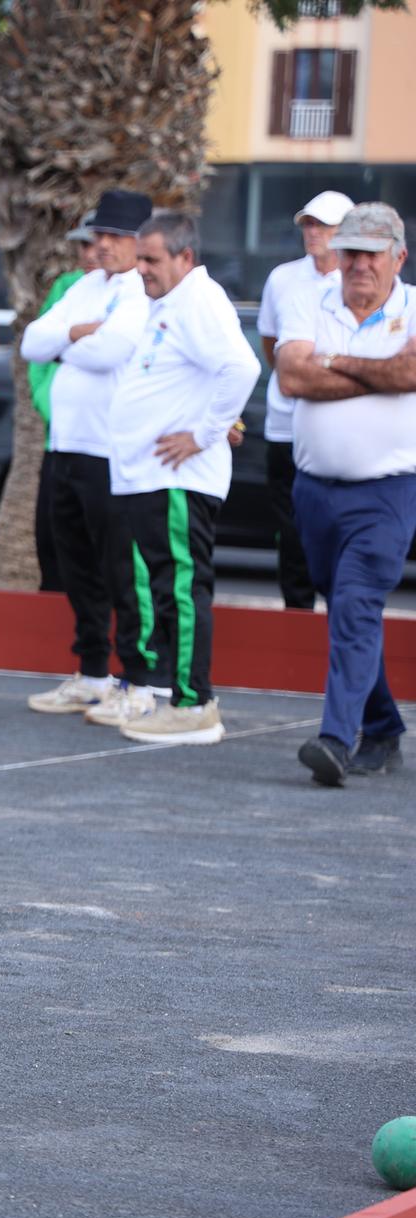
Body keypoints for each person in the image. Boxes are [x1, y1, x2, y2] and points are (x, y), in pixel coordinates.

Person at [273, 203, 416, 786]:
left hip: (387, 491)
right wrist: (375, 369)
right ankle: (383, 728)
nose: (357, 264)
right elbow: (291, 377)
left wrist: (329, 361)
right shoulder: (312, 299)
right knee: (346, 612)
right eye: (350, 252)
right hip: (314, 491)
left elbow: (412, 375)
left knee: (356, 605)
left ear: (398, 258)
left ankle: (335, 739)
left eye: (370, 254)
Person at [104, 211, 260, 746]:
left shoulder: (198, 299)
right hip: (148, 478)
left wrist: (204, 433)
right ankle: (180, 698)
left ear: (184, 257)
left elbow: (241, 368)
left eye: (150, 259)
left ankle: (196, 706)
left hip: (177, 479)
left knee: (182, 591)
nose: (139, 269)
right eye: (139, 257)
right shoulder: (165, 304)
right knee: (169, 592)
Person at [21, 190, 155, 720]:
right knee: (76, 564)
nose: (102, 246)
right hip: (65, 446)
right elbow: (32, 340)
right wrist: (74, 333)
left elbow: (113, 350)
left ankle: (140, 681)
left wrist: (63, 341)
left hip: (110, 450)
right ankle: (94, 673)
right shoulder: (82, 288)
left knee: (121, 567)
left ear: (139, 242)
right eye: (99, 235)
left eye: (115, 237)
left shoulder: (139, 292)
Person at [260, 190, 354, 612]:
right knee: (291, 527)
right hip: (284, 424)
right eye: (309, 225)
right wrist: (295, 376)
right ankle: (296, 614)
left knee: (337, 525)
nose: (313, 233)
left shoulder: (356, 281)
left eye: (322, 225)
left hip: (336, 424)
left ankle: (336, 610)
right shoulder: (282, 277)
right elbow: (269, 341)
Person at [25, 211, 100, 593]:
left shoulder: (136, 291)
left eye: (95, 242)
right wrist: (49, 404)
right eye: (83, 244)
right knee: (50, 539)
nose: (89, 252)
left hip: (102, 444)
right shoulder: (68, 287)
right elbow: (38, 354)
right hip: (60, 438)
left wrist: (65, 344)